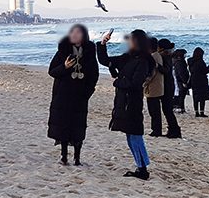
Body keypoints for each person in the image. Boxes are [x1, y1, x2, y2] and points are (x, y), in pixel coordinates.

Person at [97, 29, 155, 180]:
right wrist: (103, 44)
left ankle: (143, 169)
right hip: (123, 101)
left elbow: (136, 84)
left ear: (137, 42)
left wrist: (117, 82)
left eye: (131, 39)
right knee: (131, 136)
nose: (128, 41)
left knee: (135, 135)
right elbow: (105, 61)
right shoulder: (127, 58)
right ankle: (140, 167)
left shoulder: (143, 61)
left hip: (132, 103)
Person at [48, 24, 99, 166]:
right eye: (72, 32)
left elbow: (94, 75)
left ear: (84, 35)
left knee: (78, 126)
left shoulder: (89, 53)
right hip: (62, 94)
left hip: (80, 95)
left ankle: (77, 158)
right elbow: (52, 72)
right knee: (63, 125)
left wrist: (87, 92)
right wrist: (64, 67)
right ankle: (64, 156)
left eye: (78, 32)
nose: (74, 35)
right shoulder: (62, 51)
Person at [156, 39, 182, 138]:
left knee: (167, 109)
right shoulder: (168, 56)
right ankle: (172, 129)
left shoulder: (166, 57)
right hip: (168, 85)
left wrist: (158, 67)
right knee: (167, 109)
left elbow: (167, 71)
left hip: (168, 86)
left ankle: (174, 130)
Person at [143, 38, 165, 137]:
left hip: (153, 87)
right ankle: (156, 129)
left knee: (154, 110)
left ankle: (156, 130)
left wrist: (144, 83)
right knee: (155, 110)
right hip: (158, 86)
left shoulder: (153, 57)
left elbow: (152, 73)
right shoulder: (157, 55)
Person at [187, 47, 209, 117]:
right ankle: (202, 112)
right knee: (202, 97)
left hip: (193, 80)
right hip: (201, 80)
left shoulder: (190, 62)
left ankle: (196, 112)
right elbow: (204, 71)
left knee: (195, 96)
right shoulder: (200, 62)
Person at [173, 49, 189, 114]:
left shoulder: (178, 61)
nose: (185, 55)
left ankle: (180, 108)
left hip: (178, 80)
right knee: (181, 95)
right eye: (184, 54)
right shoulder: (180, 62)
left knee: (181, 95)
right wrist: (184, 81)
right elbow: (181, 73)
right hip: (180, 81)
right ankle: (180, 108)